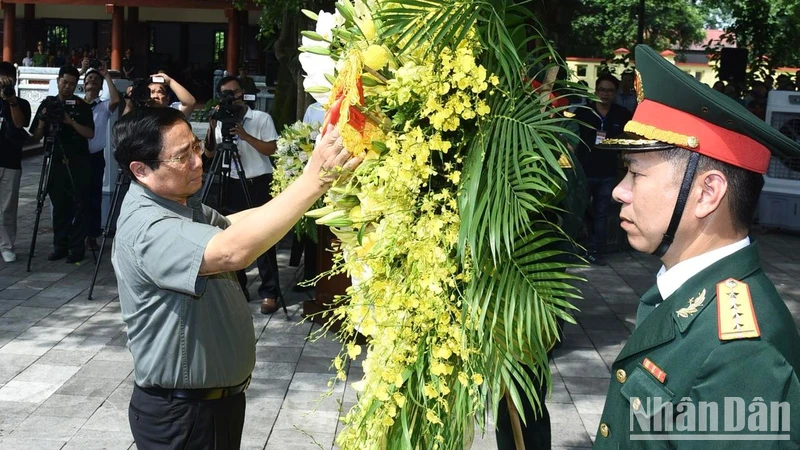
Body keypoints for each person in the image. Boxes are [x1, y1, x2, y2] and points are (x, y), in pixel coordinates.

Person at [111, 106, 360, 450]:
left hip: (212, 406)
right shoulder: (147, 228)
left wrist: (316, 189)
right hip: (182, 416)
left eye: (197, 147)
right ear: (140, 169)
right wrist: (313, 179)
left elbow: (233, 225)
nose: (198, 162)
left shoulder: (179, 202)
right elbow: (232, 250)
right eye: (182, 157)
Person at [593, 45, 800, 448]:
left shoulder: (744, 353)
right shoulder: (685, 294)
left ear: (707, 194)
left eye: (636, 174)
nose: (620, 191)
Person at [204, 76, 281, 314]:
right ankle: (238, 289)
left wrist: (245, 135)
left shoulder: (260, 118)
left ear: (243, 93)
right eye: (226, 94)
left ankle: (270, 293)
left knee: (263, 237)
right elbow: (208, 154)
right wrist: (212, 125)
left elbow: (272, 149)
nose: (232, 97)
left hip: (257, 181)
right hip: (231, 180)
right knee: (230, 234)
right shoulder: (220, 121)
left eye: (235, 92)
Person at [30, 65, 95, 263]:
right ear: (58, 81)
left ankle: (77, 248)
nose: (67, 87)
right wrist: (43, 119)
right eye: (64, 82)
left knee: (78, 205)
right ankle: (60, 246)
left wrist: (70, 122)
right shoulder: (48, 104)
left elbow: (90, 134)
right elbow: (35, 137)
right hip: (56, 160)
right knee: (59, 206)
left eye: (72, 84)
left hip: (78, 161)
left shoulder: (81, 106)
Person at [575, 73, 632, 265]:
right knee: (580, 210)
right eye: (601, 90)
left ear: (615, 93)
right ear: (595, 91)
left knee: (601, 212)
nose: (605, 94)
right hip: (585, 170)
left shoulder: (622, 114)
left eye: (609, 90)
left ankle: (594, 250)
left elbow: (630, 137)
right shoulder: (584, 112)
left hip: (607, 172)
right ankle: (578, 247)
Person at [82, 66, 121, 251]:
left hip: (95, 158)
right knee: (76, 197)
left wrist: (106, 76)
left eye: (95, 80)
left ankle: (91, 236)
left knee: (93, 198)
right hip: (76, 157)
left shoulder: (103, 105)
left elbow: (116, 99)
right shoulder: (77, 104)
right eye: (88, 78)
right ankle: (75, 235)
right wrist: (82, 71)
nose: (92, 81)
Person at [0, 62, 32, 263]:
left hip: (10, 161)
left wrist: (11, 101)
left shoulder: (21, 103)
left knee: (7, 208)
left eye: (8, 80)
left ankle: (7, 246)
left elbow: (20, 123)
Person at [122, 73, 196, 118]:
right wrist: (129, 100)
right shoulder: (139, 114)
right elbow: (124, 126)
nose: (155, 96)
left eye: (160, 92)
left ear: (167, 99)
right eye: (152, 92)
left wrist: (170, 81)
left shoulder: (172, 113)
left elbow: (190, 103)